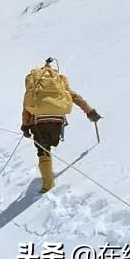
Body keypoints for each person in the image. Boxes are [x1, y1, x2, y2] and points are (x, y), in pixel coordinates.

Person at [21, 57, 102, 193]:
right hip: (57, 119)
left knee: (43, 150)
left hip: (39, 120)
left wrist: (25, 126)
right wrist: (90, 112)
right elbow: (74, 97)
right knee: (49, 143)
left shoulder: (35, 83)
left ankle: (48, 184)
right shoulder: (59, 81)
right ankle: (48, 181)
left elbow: (27, 106)